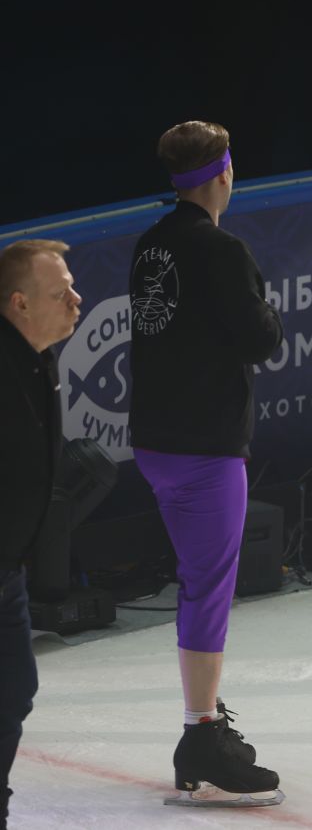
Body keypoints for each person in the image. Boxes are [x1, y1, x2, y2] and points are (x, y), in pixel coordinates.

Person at [129, 120, 285, 806]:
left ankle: (204, 720)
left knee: (201, 582)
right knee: (208, 587)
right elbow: (261, 339)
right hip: (203, 447)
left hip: (156, 441)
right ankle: (200, 734)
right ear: (224, 173)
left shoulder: (152, 243)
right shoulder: (222, 249)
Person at [0, 240, 81, 829]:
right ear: (20, 303)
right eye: (61, 293)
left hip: (8, 572)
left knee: (14, 690)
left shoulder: (37, 359)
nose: (76, 299)